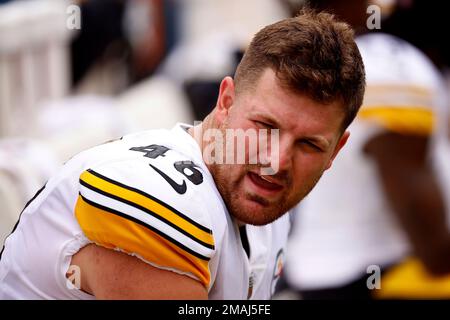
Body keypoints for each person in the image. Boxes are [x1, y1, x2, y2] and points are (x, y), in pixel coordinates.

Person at [0, 9, 365, 299]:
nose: (278, 160)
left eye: (309, 144)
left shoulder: (262, 203)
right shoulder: (162, 198)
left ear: (336, 150)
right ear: (225, 102)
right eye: (265, 126)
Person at [285, 32, 450, 300]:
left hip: (322, 270)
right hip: (374, 273)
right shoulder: (388, 65)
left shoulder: (332, 58)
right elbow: (432, 247)